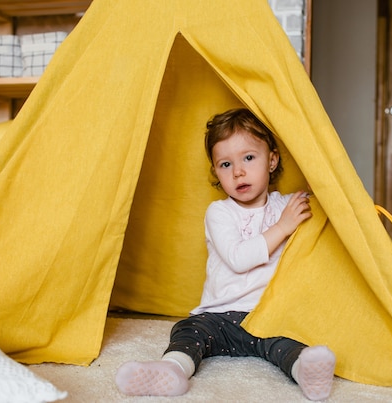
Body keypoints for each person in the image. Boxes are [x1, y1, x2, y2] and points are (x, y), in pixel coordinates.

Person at [115, 108, 336, 401]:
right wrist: (283, 227)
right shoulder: (220, 212)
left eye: (248, 158)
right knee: (188, 331)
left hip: (269, 317)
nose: (238, 172)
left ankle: (304, 372)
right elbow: (238, 258)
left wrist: (326, 192)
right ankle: (172, 370)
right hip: (218, 318)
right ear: (216, 171)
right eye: (225, 164)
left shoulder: (286, 205)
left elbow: (327, 205)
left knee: (289, 342)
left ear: (272, 160)